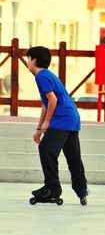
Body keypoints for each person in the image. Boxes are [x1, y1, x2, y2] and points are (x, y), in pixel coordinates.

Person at [26, 46, 88, 205]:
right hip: (71, 118)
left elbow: (53, 100)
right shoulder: (48, 75)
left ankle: (52, 188)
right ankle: (81, 190)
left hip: (62, 118)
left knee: (46, 149)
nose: (27, 62)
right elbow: (46, 105)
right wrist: (39, 129)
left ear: (34, 60)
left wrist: (47, 122)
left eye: (28, 59)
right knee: (72, 156)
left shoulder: (41, 76)